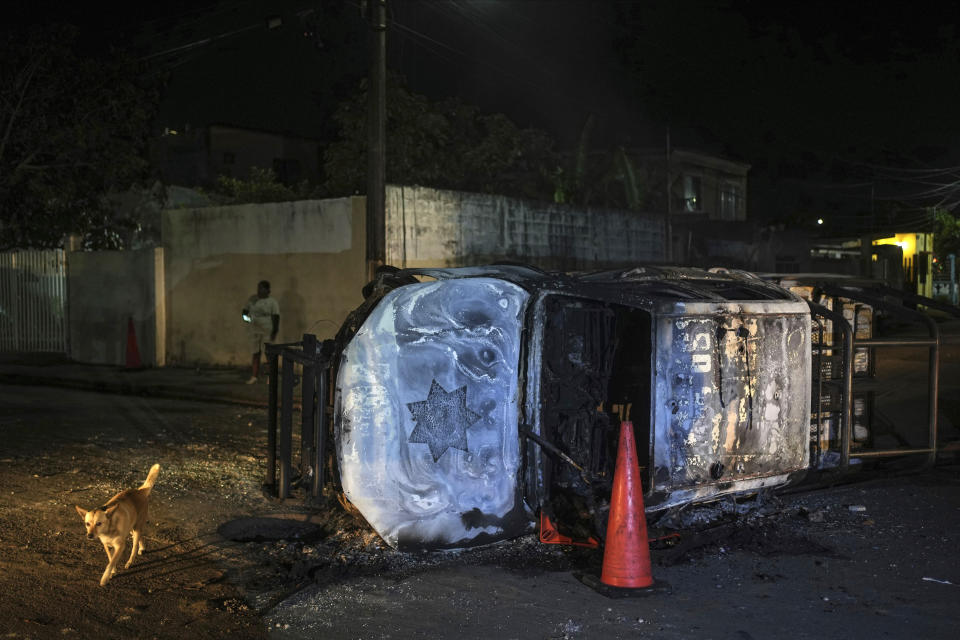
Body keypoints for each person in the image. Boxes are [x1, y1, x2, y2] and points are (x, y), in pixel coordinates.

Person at [242, 280, 280, 384]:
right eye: (258, 288)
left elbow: (276, 316)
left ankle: (270, 377)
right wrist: (248, 320)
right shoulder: (252, 299)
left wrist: (274, 331)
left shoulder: (272, 302)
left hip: (267, 330)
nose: (259, 290)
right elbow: (244, 312)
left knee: (267, 353)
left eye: (262, 288)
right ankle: (254, 376)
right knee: (255, 353)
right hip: (254, 330)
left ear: (268, 290)